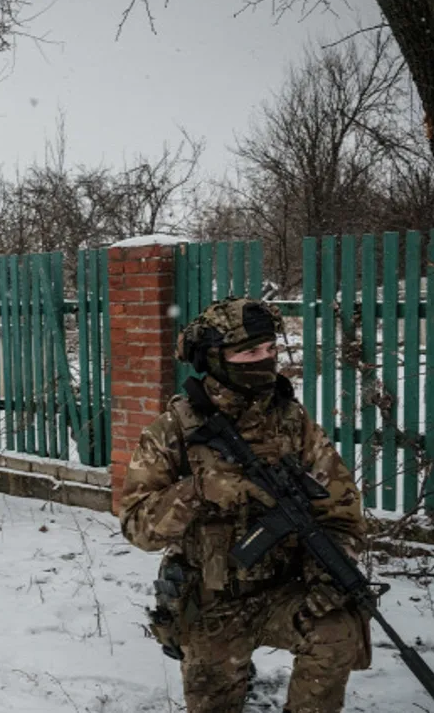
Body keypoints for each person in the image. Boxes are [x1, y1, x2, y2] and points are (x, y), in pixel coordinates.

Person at [119, 298, 369, 713]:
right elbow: (136, 527)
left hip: (284, 594)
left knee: (337, 627)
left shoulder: (293, 422)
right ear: (216, 359)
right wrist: (197, 491)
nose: (265, 361)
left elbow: (342, 513)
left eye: (270, 350)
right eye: (250, 352)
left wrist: (328, 572)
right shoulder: (175, 430)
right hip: (211, 602)